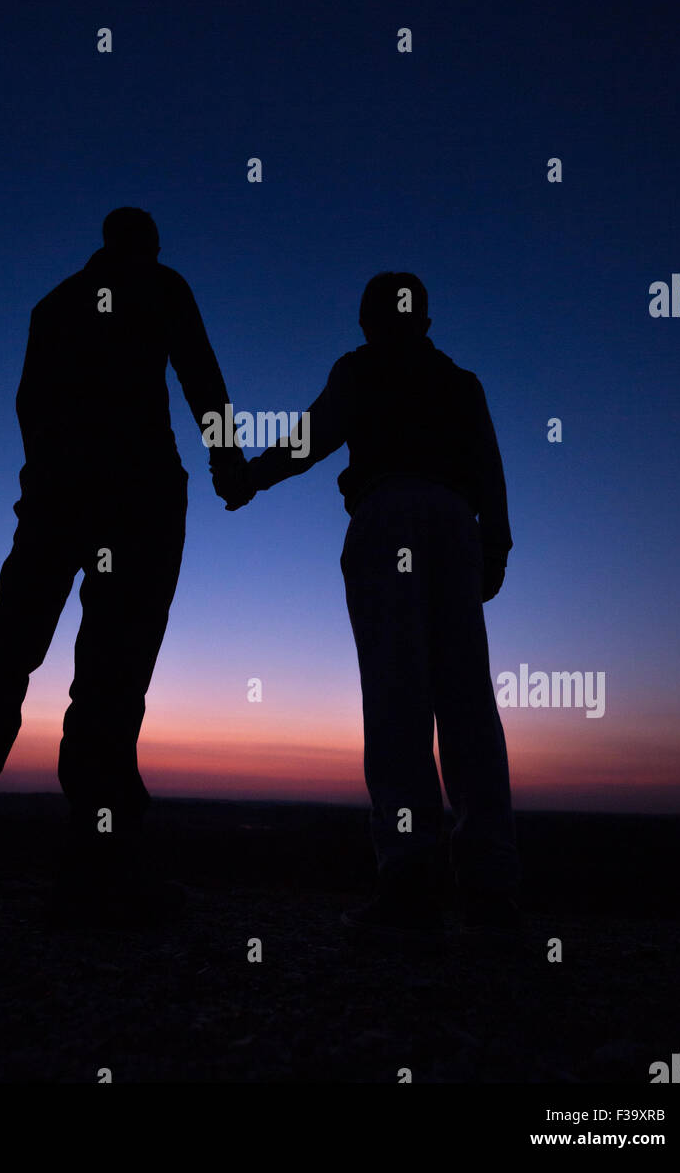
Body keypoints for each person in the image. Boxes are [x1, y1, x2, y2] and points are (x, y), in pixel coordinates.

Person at [0, 207, 247, 922]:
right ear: (147, 245)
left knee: (5, 658)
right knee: (110, 678)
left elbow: (30, 405)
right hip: (136, 497)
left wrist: (45, 486)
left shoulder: (54, 304)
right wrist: (224, 459)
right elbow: (201, 377)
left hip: (57, 500)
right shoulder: (161, 285)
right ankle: (97, 865)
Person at [223, 272, 521, 941]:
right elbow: (490, 469)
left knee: (396, 699)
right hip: (454, 522)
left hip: (388, 513)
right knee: (468, 703)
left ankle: (410, 881)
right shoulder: (460, 383)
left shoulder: (360, 370)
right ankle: (489, 890)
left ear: (368, 319)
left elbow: (311, 438)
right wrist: (493, 547)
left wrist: (248, 478)